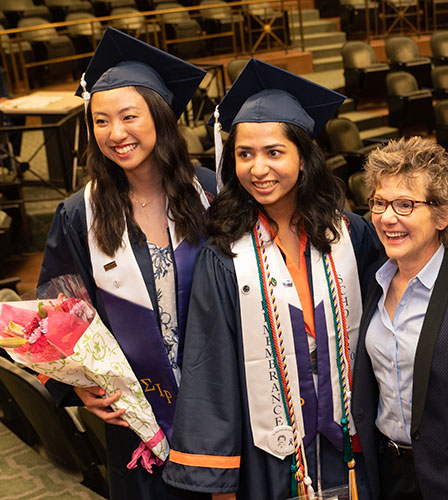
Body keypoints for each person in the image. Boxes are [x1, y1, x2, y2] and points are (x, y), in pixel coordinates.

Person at [163, 59, 381, 500]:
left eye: (274, 152)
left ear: (304, 157)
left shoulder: (351, 234)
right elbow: (212, 368)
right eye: (245, 154)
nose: (258, 168)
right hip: (270, 449)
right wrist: (219, 482)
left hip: (352, 439)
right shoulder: (224, 255)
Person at [37, 27, 213, 499]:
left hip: (223, 407)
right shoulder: (80, 214)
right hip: (138, 419)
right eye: (100, 120)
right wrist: (79, 387)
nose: (116, 134)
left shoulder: (213, 195)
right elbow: (57, 314)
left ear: (159, 116)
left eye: (129, 116)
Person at [351, 137, 448, 500]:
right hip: (386, 472)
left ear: (443, 215)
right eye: (379, 203)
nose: (387, 218)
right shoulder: (371, 282)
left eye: (405, 204)